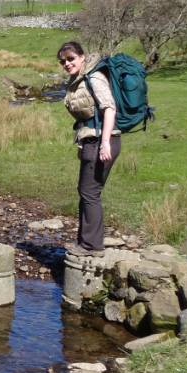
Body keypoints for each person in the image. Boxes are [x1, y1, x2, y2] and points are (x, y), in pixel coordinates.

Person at [58, 41, 120, 256]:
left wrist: (104, 143)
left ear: (82, 57)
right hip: (91, 142)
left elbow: (110, 109)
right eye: (63, 61)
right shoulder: (77, 81)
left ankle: (91, 246)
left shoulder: (94, 78)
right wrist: (82, 143)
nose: (67, 63)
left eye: (71, 58)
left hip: (102, 141)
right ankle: (86, 242)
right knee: (88, 192)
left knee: (89, 192)